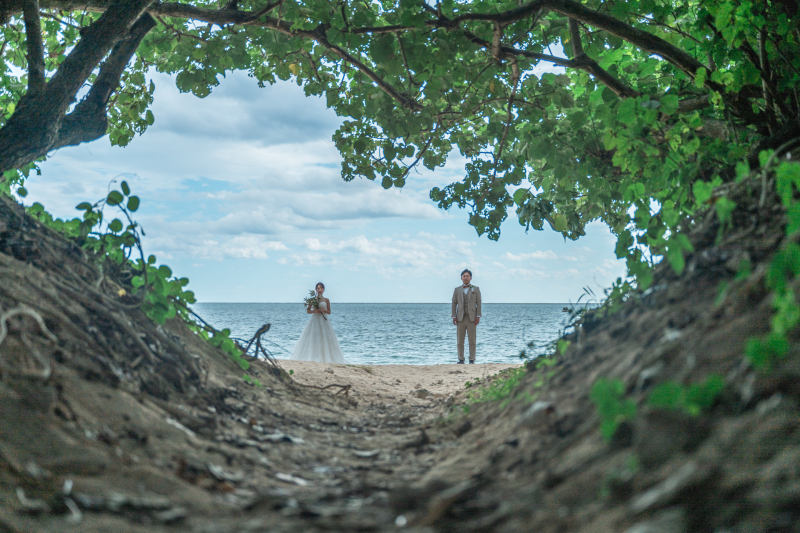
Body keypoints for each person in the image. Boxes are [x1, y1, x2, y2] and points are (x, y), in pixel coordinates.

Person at [289, 282, 346, 363]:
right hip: (315, 319)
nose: (319, 290)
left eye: (321, 288)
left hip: (324, 320)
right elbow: (308, 311)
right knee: (314, 336)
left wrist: (323, 310)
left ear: (323, 290)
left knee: (325, 337)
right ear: (316, 289)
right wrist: (315, 311)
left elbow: (329, 312)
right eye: (318, 288)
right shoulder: (312, 300)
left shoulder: (326, 300)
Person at [451, 269, 481, 364]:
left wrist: (478, 316)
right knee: (460, 340)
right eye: (464, 276)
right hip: (460, 318)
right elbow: (454, 303)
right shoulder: (457, 290)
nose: (466, 277)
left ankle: (472, 359)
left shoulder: (475, 289)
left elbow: (479, 303)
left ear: (471, 278)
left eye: (467, 276)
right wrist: (453, 316)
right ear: (461, 278)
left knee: (472, 340)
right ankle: (461, 359)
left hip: (472, 318)